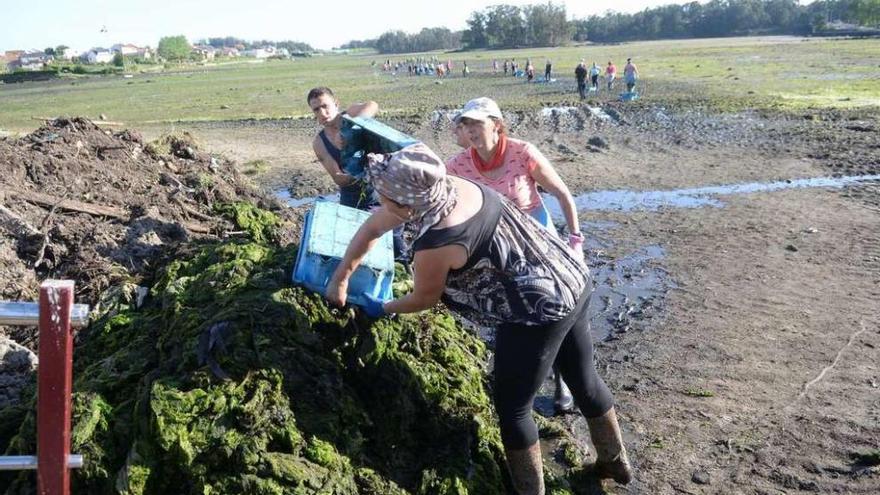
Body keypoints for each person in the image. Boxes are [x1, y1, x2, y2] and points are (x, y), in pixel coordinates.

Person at [325, 143, 633, 493]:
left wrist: (382, 307)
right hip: (570, 276)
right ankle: (614, 461)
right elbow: (374, 226)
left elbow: (424, 298)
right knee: (584, 380)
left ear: (406, 203)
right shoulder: (449, 188)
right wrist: (341, 277)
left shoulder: (437, 243)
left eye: (385, 196)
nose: (380, 201)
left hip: (537, 312)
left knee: (513, 408)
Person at [446, 97, 585, 415]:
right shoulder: (459, 164)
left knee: (552, 311)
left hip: (538, 242)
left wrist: (575, 241)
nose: (471, 130)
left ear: (496, 124)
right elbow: (434, 187)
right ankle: (521, 380)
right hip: (498, 249)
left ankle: (562, 381)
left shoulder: (523, 152)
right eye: (466, 125)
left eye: (477, 123)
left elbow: (562, 194)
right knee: (513, 315)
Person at [306, 87, 405, 257]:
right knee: (356, 248)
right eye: (316, 109)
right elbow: (338, 178)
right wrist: (363, 170)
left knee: (394, 243)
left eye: (325, 106)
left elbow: (372, 105)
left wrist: (351, 131)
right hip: (352, 199)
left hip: (382, 191)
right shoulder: (319, 143)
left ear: (336, 103)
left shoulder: (351, 115)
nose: (322, 112)